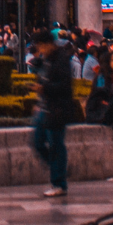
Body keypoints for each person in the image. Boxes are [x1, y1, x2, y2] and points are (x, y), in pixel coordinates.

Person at [29, 30, 74, 198]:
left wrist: (44, 89)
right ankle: (60, 168)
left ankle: (59, 183)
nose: (40, 50)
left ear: (48, 44)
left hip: (57, 109)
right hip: (45, 107)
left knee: (56, 145)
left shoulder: (61, 59)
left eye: (41, 46)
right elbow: (44, 79)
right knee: (38, 141)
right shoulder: (47, 59)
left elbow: (64, 86)